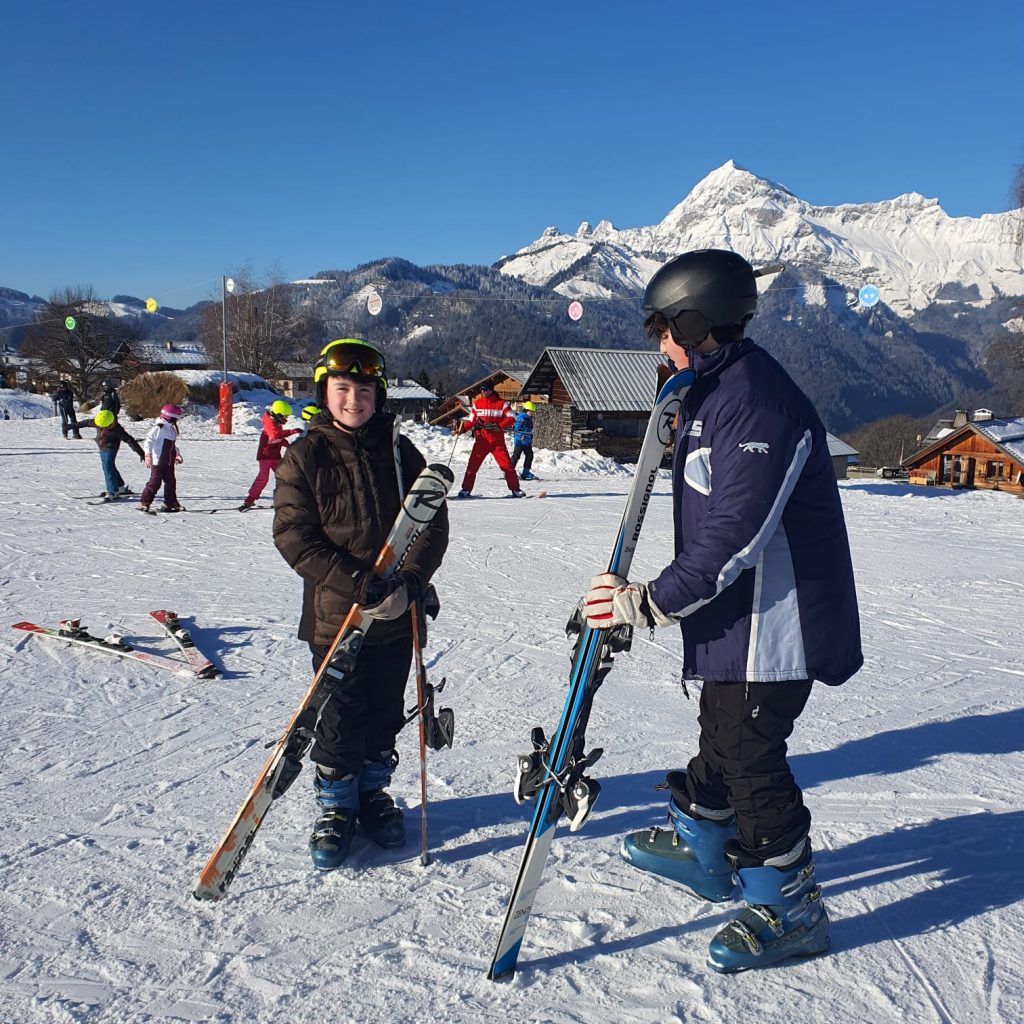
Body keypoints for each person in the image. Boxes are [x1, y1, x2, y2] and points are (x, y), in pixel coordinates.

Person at [578, 249, 862, 974]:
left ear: (696, 321)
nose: (659, 346)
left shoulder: (756, 402)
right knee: (723, 731)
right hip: (740, 622)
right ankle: (705, 842)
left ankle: (790, 904)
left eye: (664, 330)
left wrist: (648, 602)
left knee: (748, 752)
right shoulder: (717, 389)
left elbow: (734, 535)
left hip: (778, 626)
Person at [273, 338, 449, 870]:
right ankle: (335, 804)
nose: (354, 400)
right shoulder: (306, 456)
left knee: (383, 713)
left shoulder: (400, 453)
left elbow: (432, 524)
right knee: (339, 717)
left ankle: (373, 793)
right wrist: (356, 581)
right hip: (337, 618)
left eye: (364, 390)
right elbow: (293, 535)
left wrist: (413, 582)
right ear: (325, 392)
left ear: (379, 393)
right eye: (342, 389)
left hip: (396, 619)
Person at [455, 385, 523, 498]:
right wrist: (461, 429)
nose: (483, 392)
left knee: (507, 467)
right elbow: (471, 421)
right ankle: (466, 489)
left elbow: (512, 417)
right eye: (481, 390)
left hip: (497, 442)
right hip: (481, 441)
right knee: (472, 466)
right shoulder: (477, 403)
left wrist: (500, 426)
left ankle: (516, 489)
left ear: (491, 390)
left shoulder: (502, 404)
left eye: (485, 389)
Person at [239, 399, 301, 511]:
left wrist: (286, 443)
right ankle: (250, 500)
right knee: (263, 478)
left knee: (284, 476)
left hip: (275, 455)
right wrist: (291, 432)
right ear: (278, 414)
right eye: (285, 416)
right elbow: (274, 436)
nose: (286, 419)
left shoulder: (276, 422)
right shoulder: (269, 423)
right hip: (265, 456)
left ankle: (284, 498)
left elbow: (276, 439)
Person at [83, 409, 145, 502]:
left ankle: (113, 492)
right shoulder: (98, 422)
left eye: (104, 427)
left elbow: (130, 440)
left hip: (111, 449)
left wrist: (141, 453)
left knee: (108, 469)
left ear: (110, 423)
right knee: (108, 467)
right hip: (102, 448)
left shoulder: (117, 429)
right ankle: (120, 488)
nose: (101, 428)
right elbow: (86, 422)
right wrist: (71, 426)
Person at [138, 404, 185, 513]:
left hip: (169, 462)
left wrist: (177, 454)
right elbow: (148, 441)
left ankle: (170, 503)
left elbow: (172, 445)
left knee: (171, 482)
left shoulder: (171, 430)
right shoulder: (158, 428)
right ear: (172, 417)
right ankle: (145, 502)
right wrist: (148, 455)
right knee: (155, 482)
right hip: (158, 461)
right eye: (176, 418)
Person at [511, 400, 537, 480]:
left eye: (532, 412)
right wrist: (521, 434)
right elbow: (516, 428)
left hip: (527, 441)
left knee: (530, 455)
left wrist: (530, 436)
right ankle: (509, 472)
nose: (531, 413)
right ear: (526, 410)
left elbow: (528, 429)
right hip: (520, 440)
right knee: (516, 455)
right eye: (530, 411)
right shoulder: (521, 417)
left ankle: (526, 472)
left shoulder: (528, 418)